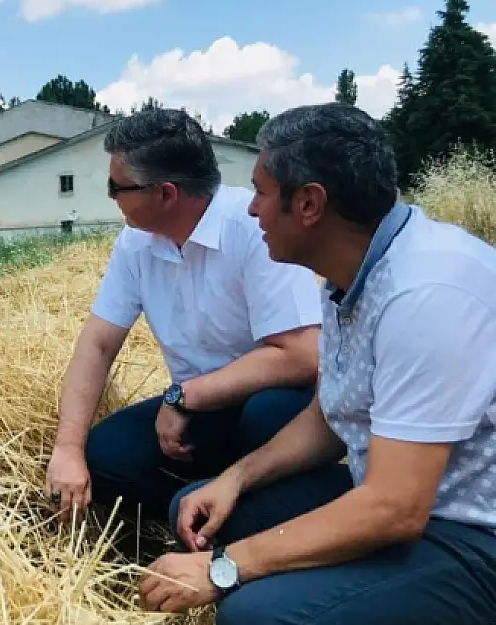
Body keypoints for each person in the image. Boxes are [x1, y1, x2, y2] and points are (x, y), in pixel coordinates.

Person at [138, 102, 496, 623]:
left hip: (471, 535)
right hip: (403, 502)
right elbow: (332, 414)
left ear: (308, 203)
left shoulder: (426, 295)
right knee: (201, 509)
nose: (251, 209)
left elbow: (396, 508)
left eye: (261, 191)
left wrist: (225, 569)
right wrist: (235, 479)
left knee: (255, 614)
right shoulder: (351, 275)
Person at [44, 109, 323, 524]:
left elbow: (302, 355)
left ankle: (250, 515)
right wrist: (68, 449)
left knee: (268, 414)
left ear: (166, 194)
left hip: (268, 399)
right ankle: (204, 509)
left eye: (117, 187)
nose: (112, 197)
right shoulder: (135, 244)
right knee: (103, 458)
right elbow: (98, 343)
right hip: (196, 412)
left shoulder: (254, 228)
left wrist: (186, 396)